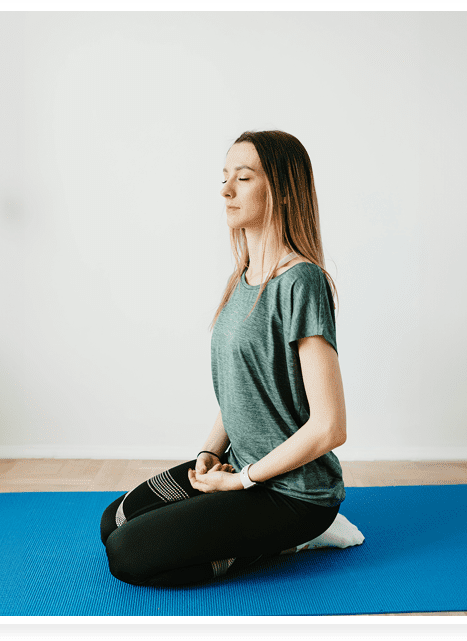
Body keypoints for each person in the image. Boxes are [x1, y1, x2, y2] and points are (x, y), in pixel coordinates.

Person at [100, 130, 347, 587]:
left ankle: (294, 540)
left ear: (283, 189)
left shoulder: (302, 283)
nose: (226, 190)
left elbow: (330, 426)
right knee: (113, 520)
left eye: (244, 178)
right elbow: (242, 389)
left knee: (127, 554)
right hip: (241, 467)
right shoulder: (241, 279)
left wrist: (241, 481)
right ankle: (248, 529)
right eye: (224, 177)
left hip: (294, 494)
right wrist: (208, 453)